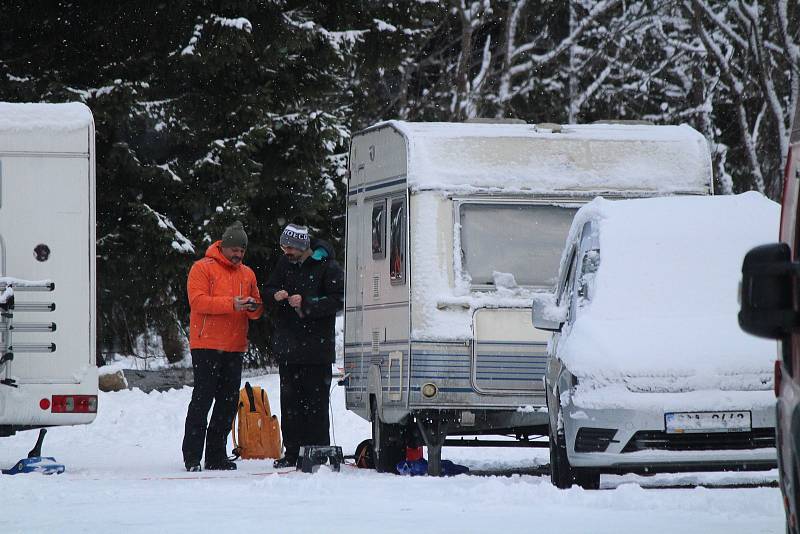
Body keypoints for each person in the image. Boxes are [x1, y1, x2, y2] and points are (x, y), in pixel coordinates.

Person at [182, 221, 262, 472]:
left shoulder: (247, 274)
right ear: (223, 246)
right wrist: (232, 304)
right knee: (203, 399)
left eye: (242, 251)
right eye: (234, 249)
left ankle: (216, 455)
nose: (238, 254)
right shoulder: (202, 268)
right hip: (206, 344)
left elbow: (257, 310)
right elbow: (198, 302)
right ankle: (192, 456)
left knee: (227, 402)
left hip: (235, 346)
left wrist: (254, 307)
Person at [266, 223, 343, 468]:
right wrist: (274, 294)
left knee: (316, 405)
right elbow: (268, 288)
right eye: (283, 246)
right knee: (290, 405)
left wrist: (307, 303)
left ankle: (317, 451)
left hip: (316, 350)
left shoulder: (327, 266)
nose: (286, 251)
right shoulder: (283, 264)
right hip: (289, 348)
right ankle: (292, 452)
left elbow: (338, 299)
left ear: (302, 246)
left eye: (290, 247)